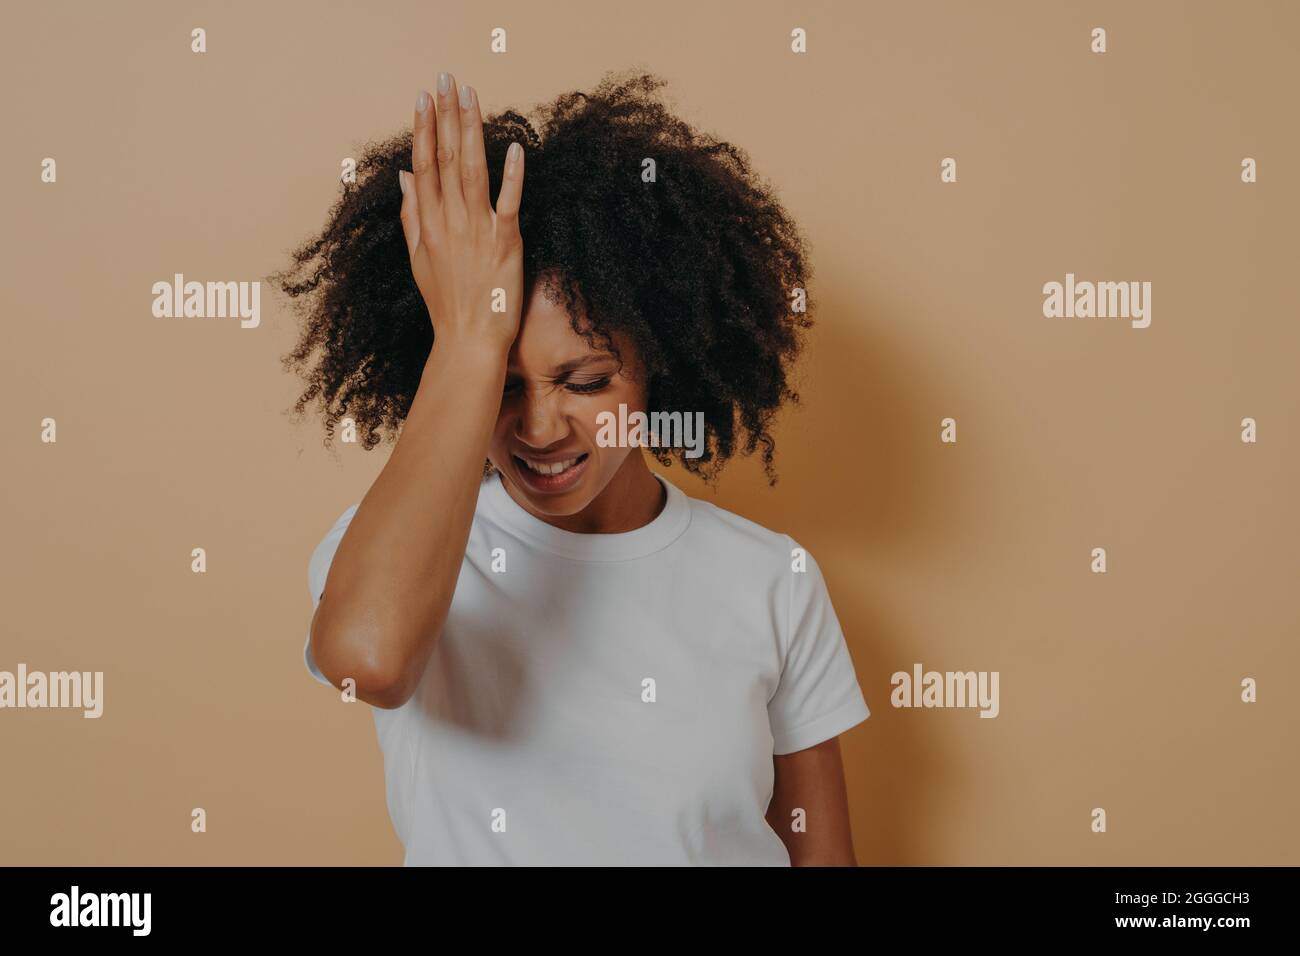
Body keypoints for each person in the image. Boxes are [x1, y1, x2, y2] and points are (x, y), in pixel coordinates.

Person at [278, 69, 870, 865]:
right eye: (502, 387)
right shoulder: (391, 554)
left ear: (660, 364)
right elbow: (370, 661)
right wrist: (466, 339)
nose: (542, 426)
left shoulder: (773, 580)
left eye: (586, 381)